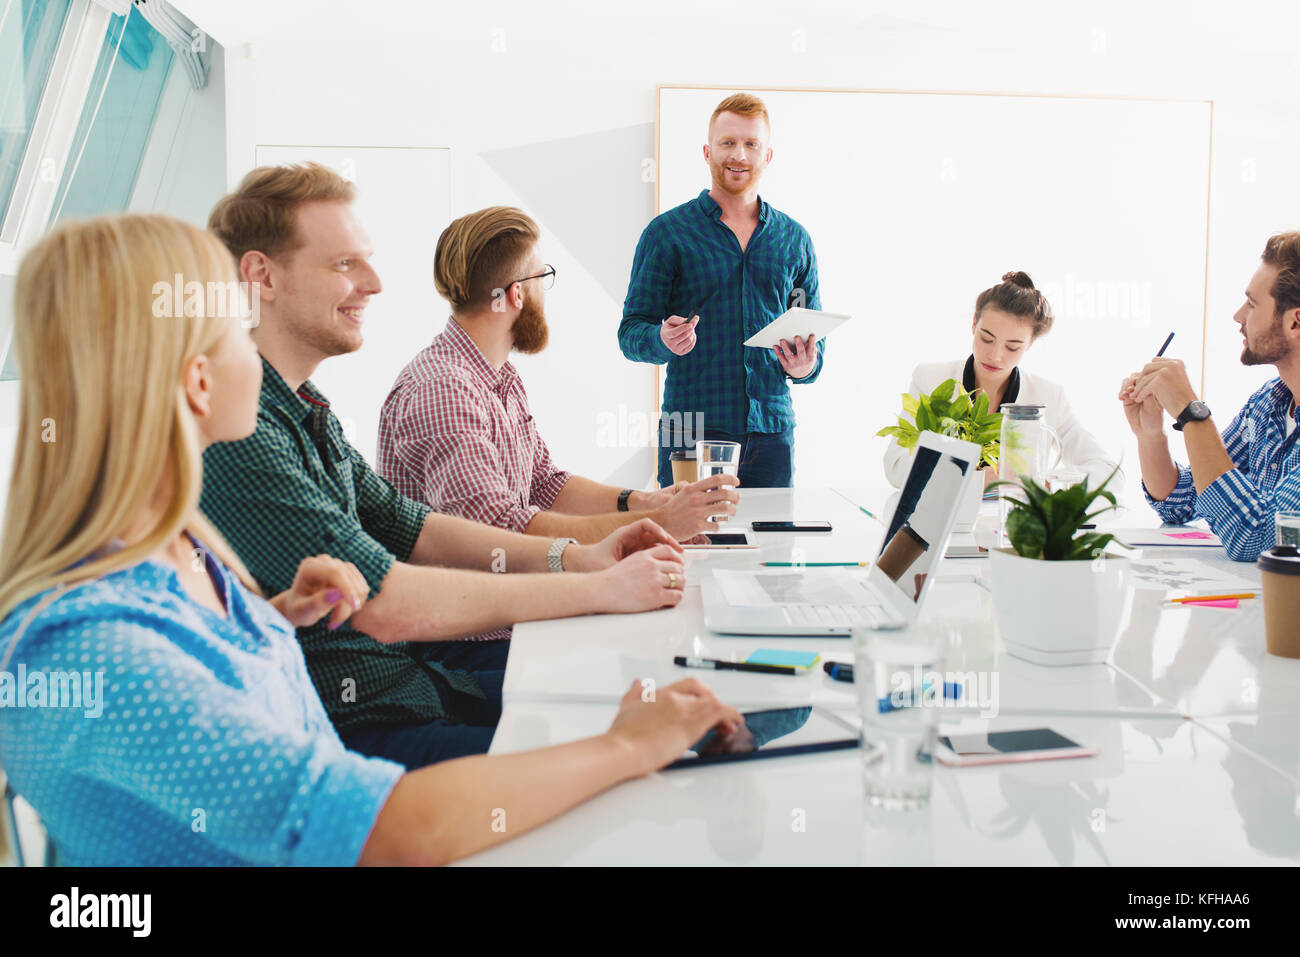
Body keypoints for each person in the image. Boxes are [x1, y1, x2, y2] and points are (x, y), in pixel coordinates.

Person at [0, 213, 742, 866]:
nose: (253, 346)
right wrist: (627, 744)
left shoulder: (177, 547)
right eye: (236, 328)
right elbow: (381, 831)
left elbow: (210, 676)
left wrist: (273, 618)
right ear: (198, 382)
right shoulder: (90, 647)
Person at [200, 163, 688, 770]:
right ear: (261, 276)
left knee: (654, 716)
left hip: (409, 686)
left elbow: (415, 526)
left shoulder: (307, 407)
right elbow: (383, 599)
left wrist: (583, 555)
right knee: (640, 757)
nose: (376, 283)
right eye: (344, 264)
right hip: (358, 732)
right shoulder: (242, 432)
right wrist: (596, 587)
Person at [377, 205, 739, 546]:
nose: (545, 293)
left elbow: (544, 485)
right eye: (542, 276)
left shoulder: (500, 378)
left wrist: (647, 503)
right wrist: (659, 523)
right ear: (516, 293)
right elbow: (497, 533)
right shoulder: (443, 390)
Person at [620, 92, 824, 490]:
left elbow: (814, 343)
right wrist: (661, 339)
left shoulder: (794, 240)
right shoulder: (667, 234)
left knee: (772, 549)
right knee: (690, 550)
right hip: (690, 431)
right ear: (707, 151)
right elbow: (630, 334)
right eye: (728, 142)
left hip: (772, 432)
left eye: (751, 144)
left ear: (767, 156)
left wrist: (805, 368)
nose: (739, 155)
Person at [1120, 232, 1300, 562]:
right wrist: (1151, 435)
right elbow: (1182, 500)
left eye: (1253, 303)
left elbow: (1260, 539)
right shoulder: (1268, 404)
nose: (1238, 315)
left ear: (1295, 321)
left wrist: (1191, 413)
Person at [883, 271, 1118, 490]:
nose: (996, 356)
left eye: (1012, 347)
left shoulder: (1048, 396)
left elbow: (1109, 473)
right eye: (987, 339)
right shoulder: (932, 379)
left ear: (1030, 344)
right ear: (974, 323)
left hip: (1013, 528)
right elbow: (895, 465)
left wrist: (1041, 484)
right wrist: (975, 478)